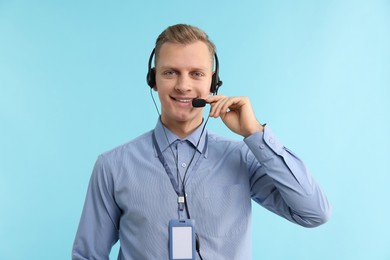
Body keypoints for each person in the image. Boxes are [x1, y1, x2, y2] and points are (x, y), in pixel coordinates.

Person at [72, 24, 331, 260]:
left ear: (213, 82)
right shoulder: (112, 166)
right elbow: (87, 256)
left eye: (196, 74)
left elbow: (314, 213)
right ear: (153, 80)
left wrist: (255, 133)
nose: (183, 86)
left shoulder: (243, 158)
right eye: (171, 72)